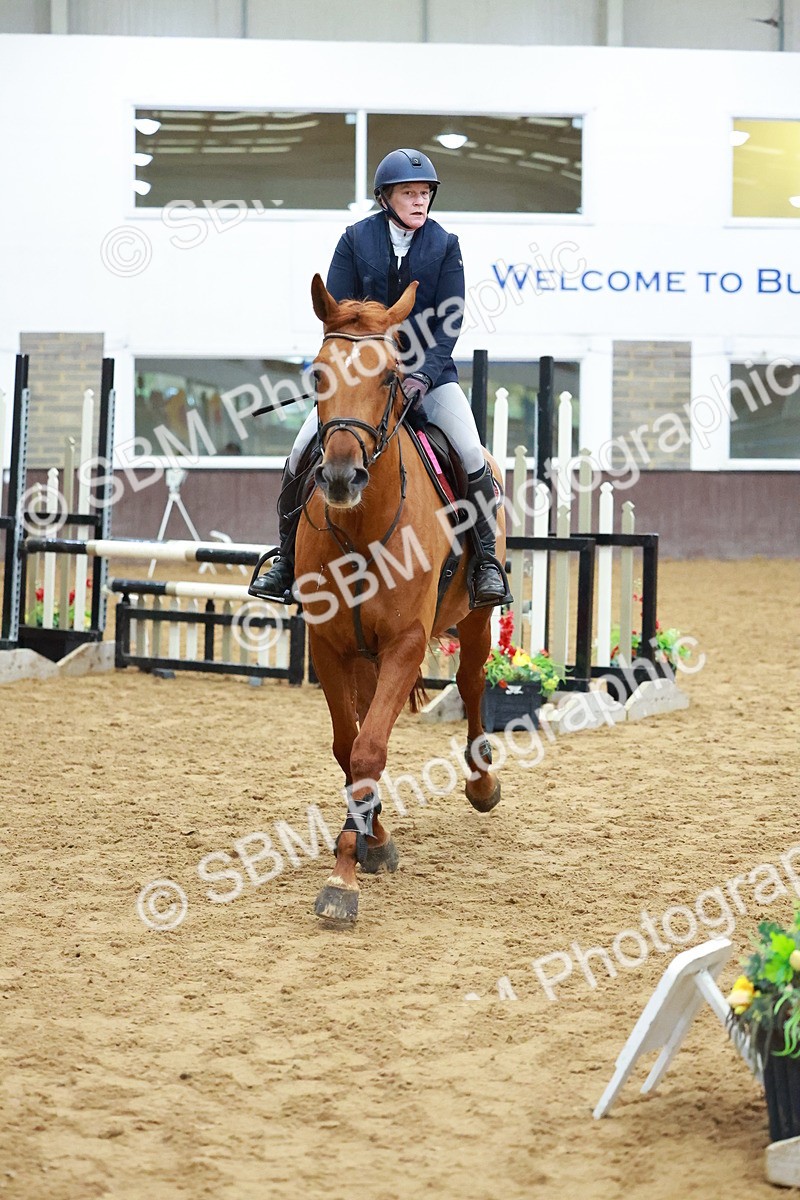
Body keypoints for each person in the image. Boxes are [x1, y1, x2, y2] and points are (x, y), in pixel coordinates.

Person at [249, 147, 511, 609]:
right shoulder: (355, 240)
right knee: (299, 453)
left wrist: (423, 376)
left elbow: (450, 322)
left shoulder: (445, 245)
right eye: (409, 193)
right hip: (359, 380)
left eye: (425, 193)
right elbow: (336, 315)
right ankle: (287, 560)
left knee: (471, 453)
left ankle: (486, 562)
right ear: (385, 197)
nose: (419, 201)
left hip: (430, 375)